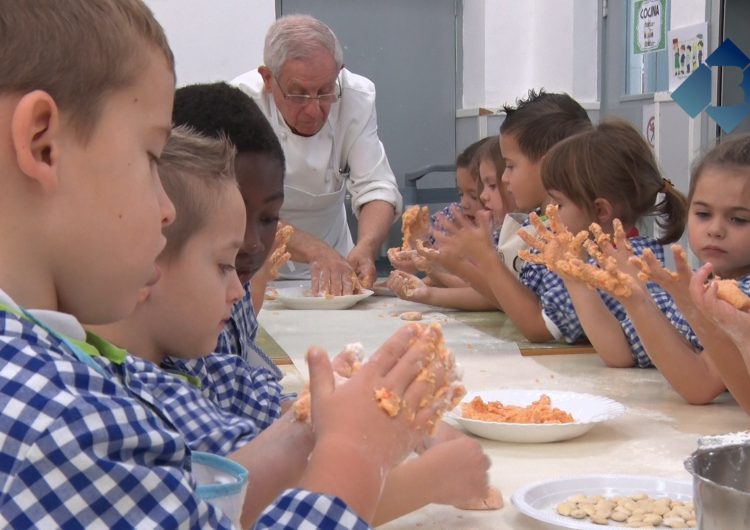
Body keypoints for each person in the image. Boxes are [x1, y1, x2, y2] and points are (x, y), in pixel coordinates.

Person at [0, 2, 466, 527]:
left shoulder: (71, 365)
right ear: (43, 143)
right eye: (153, 157)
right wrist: (356, 459)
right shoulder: (61, 419)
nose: (167, 208)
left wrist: (313, 421)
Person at [552, 134, 750, 411]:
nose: (715, 229)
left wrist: (681, 304)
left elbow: (699, 385)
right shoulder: (707, 280)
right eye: (704, 214)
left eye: (739, 219)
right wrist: (634, 299)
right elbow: (628, 354)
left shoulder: (742, 296)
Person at [232, 14, 403, 296]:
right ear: (268, 79)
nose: (314, 110)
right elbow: (240, 211)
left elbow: (377, 187)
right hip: (257, 271)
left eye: (324, 92)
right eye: (298, 94)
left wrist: (366, 247)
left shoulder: (356, 97)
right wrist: (312, 249)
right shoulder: (242, 103)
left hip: (336, 271)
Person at [407, 90, 592, 340]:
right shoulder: (538, 221)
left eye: (511, 166)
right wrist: (456, 265)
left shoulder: (571, 231)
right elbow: (505, 299)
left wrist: (485, 258)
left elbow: (540, 328)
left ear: (548, 165)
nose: (506, 179)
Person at [516, 120, 689, 370]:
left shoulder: (630, 263)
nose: (548, 212)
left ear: (600, 210)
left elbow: (617, 355)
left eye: (558, 204)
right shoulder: (599, 256)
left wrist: (571, 272)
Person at [172, 82, 288, 379]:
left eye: (268, 218)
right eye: (233, 218)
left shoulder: (238, 289)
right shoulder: (173, 327)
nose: (252, 243)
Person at [388, 137, 518, 310]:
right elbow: (492, 293)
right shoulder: (454, 216)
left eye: (474, 195)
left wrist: (432, 271)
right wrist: (419, 248)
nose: (483, 197)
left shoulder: (510, 234)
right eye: (460, 193)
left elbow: (493, 295)